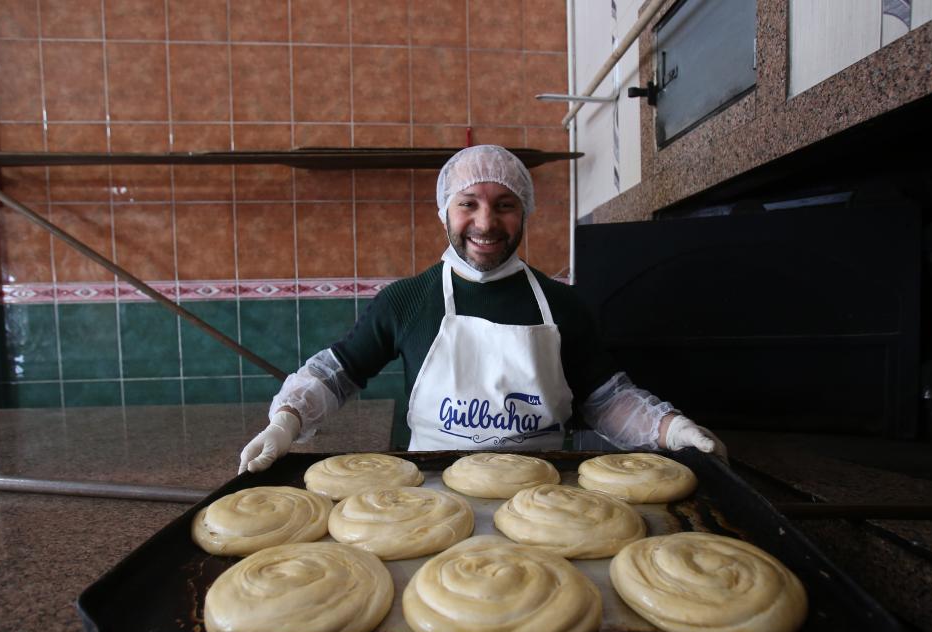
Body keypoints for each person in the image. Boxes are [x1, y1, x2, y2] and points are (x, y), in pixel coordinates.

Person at [239, 145, 724, 473]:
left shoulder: (562, 304)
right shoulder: (406, 301)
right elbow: (337, 373)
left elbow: (606, 399)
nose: (486, 222)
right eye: (468, 203)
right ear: (445, 212)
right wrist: (285, 422)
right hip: (430, 499)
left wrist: (672, 430)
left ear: (525, 211)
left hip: (542, 496)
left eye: (504, 205)